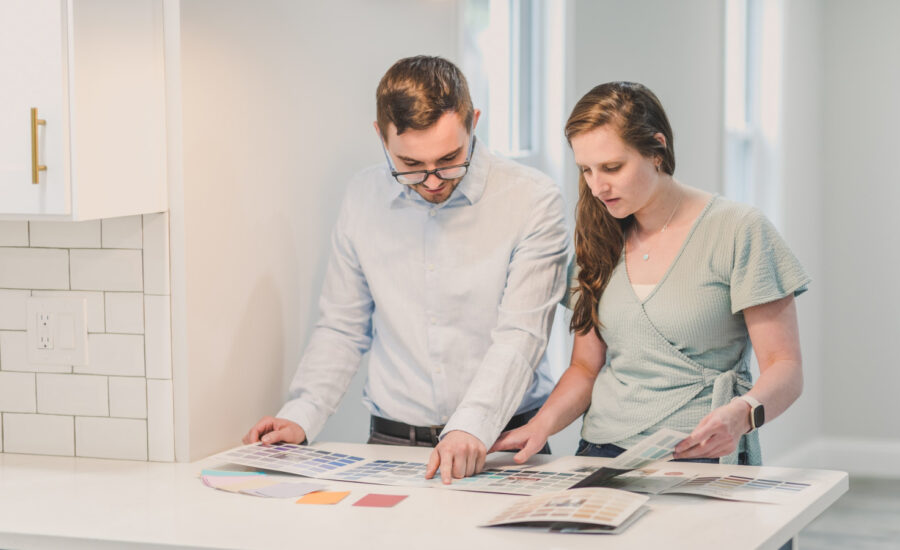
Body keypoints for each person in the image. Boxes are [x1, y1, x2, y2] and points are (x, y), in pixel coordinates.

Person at [243, 56, 569, 483]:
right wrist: (302, 415)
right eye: (411, 165)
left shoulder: (532, 199)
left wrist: (472, 424)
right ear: (381, 136)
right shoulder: (363, 197)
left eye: (450, 158)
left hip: (501, 442)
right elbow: (342, 326)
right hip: (392, 443)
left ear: (474, 122)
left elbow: (521, 336)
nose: (433, 180)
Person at [492, 82, 809, 466]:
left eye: (612, 167)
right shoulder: (596, 238)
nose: (597, 186)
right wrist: (540, 426)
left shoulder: (739, 230)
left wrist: (743, 415)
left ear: (657, 149)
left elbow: (785, 368)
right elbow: (584, 367)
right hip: (601, 453)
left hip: (699, 451)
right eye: (586, 170)